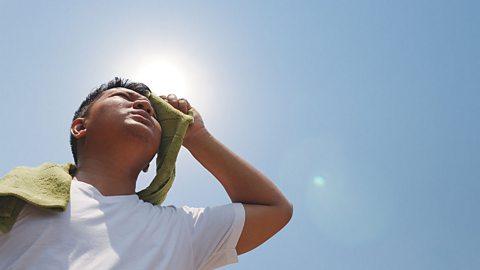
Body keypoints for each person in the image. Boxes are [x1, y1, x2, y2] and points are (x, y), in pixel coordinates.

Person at [0, 77, 293, 269]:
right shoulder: (20, 197)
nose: (142, 105)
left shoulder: (179, 231)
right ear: (80, 127)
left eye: (154, 114)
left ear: (149, 161)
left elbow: (274, 209)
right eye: (123, 97)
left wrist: (197, 136)